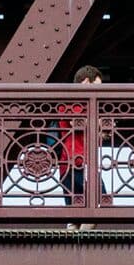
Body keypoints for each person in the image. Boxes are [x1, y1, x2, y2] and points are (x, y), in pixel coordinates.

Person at [55, 67, 101, 201]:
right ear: (86, 82)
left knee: (75, 211)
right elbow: (76, 122)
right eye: (96, 86)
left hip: (68, 163)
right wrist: (99, 123)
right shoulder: (75, 100)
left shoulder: (70, 100)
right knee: (99, 199)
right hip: (78, 161)